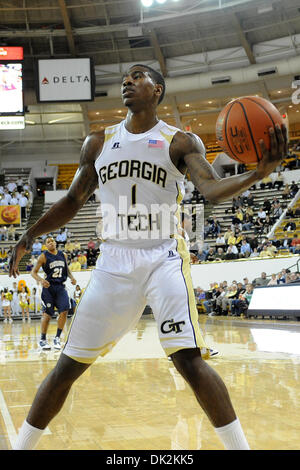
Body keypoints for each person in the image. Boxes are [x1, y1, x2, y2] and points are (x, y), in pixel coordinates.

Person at [9, 63, 287, 451]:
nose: (127, 80)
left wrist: (257, 175)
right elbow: (73, 200)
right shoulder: (99, 142)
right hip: (113, 262)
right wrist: (29, 234)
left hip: (163, 257)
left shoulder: (180, 141)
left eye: (138, 76)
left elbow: (210, 188)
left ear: (157, 91)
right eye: (125, 77)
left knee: (188, 359)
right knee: (66, 369)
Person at [30, 236, 77, 351]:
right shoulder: (43, 256)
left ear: (55, 243)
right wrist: (41, 280)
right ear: (45, 245)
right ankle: (42, 339)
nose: (51, 243)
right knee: (48, 314)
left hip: (60, 287)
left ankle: (57, 338)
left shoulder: (63, 255)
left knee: (65, 310)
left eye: (52, 241)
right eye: (48, 242)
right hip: (49, 288)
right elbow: (33, 272)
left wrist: (72, 277)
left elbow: (67, 269)